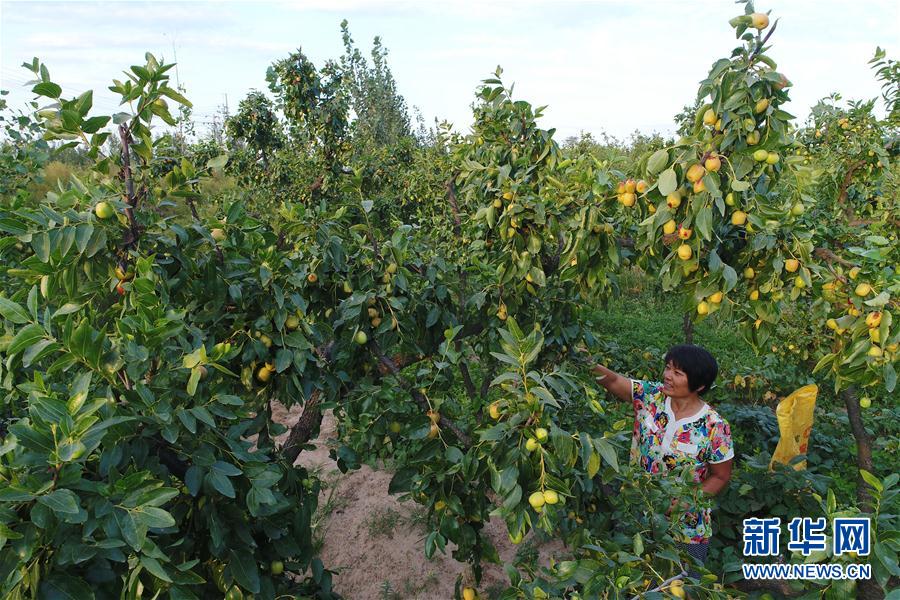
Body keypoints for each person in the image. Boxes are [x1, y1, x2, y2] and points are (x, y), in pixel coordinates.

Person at [586, 344, 734, 577]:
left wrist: (689, 500)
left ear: (700, 385)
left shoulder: (714, 426)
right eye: (668, 368)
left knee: (679, 584)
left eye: (678, 373)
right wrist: (588, 363)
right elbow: (614, 381)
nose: (667, 376)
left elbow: (721, 475)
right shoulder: (650, 396)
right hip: (638, 513)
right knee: (637, 577)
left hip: (684, 526)